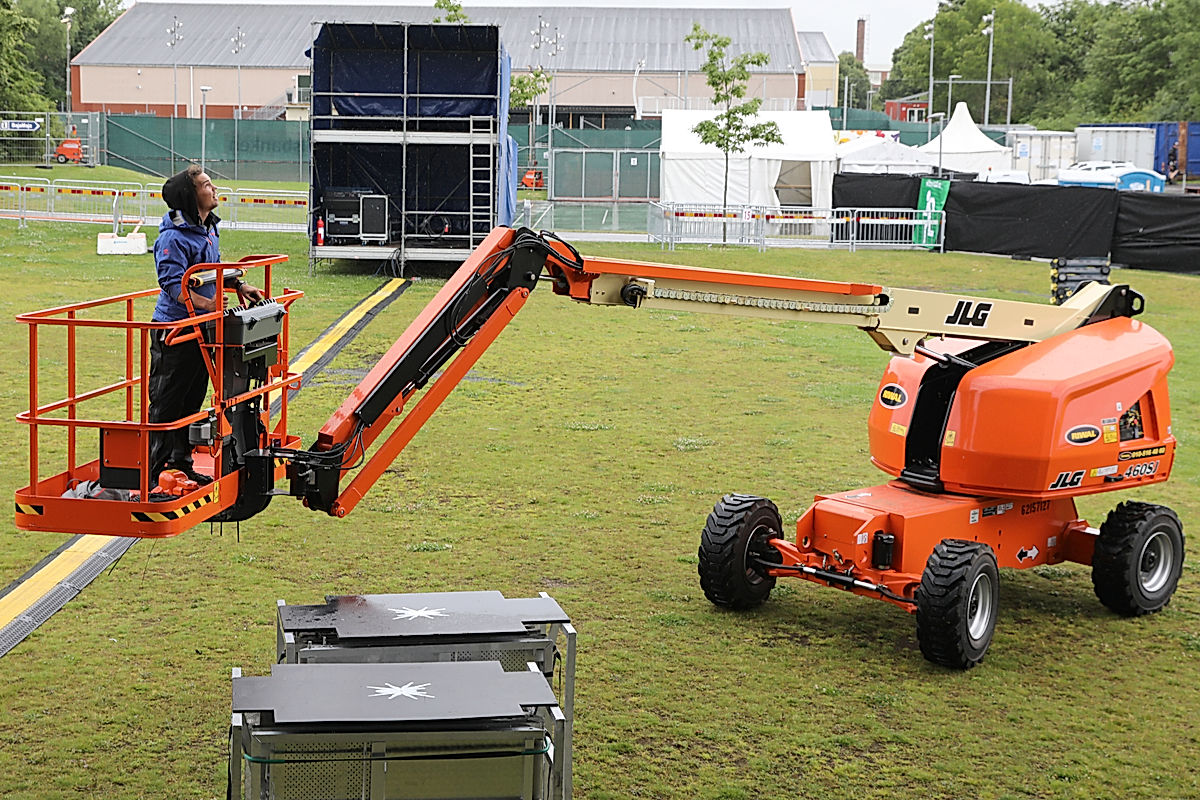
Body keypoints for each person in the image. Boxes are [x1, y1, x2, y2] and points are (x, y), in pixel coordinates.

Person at [148, 165, 263, 486]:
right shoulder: (173, 237)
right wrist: (206, 304)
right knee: (166, 402)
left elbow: (214, 268)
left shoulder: (208, 228)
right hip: (175, 330)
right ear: (190, 195)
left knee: (192, 399)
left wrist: (239, 285)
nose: (214, 190)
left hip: (202, 328)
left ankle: (180, 464)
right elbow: (172, 282)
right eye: (206, 185)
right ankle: (153, 473)